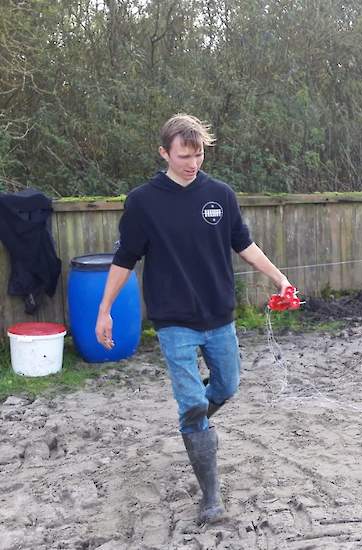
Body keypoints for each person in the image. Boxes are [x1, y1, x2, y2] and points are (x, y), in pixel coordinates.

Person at [95, 113, 291, 524]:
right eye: (184, 155)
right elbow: (124, 260)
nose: (192, 163)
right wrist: (104, 310)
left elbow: (245, 244)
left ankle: (194, 421)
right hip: (174, 321)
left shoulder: (220, 194)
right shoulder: (143, 202)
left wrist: (277, 277)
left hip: (219, 314)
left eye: (198, 154)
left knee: (228, 385)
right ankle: (211, 497)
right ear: (164, 152)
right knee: (192, 406)